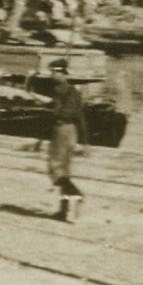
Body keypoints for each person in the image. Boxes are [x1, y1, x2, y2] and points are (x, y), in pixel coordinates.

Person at [47, 59, 87, 222]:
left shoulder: (70, 92)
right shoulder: (59, 90)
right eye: (52, 71)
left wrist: (51, 112)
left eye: (55, 72)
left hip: (65, 130)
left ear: (64, 73)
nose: (52, 75)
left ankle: (77, 194)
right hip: (62, 131)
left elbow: (69, 114)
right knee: (64, 169)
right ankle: (63, 210)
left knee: (56, 168)